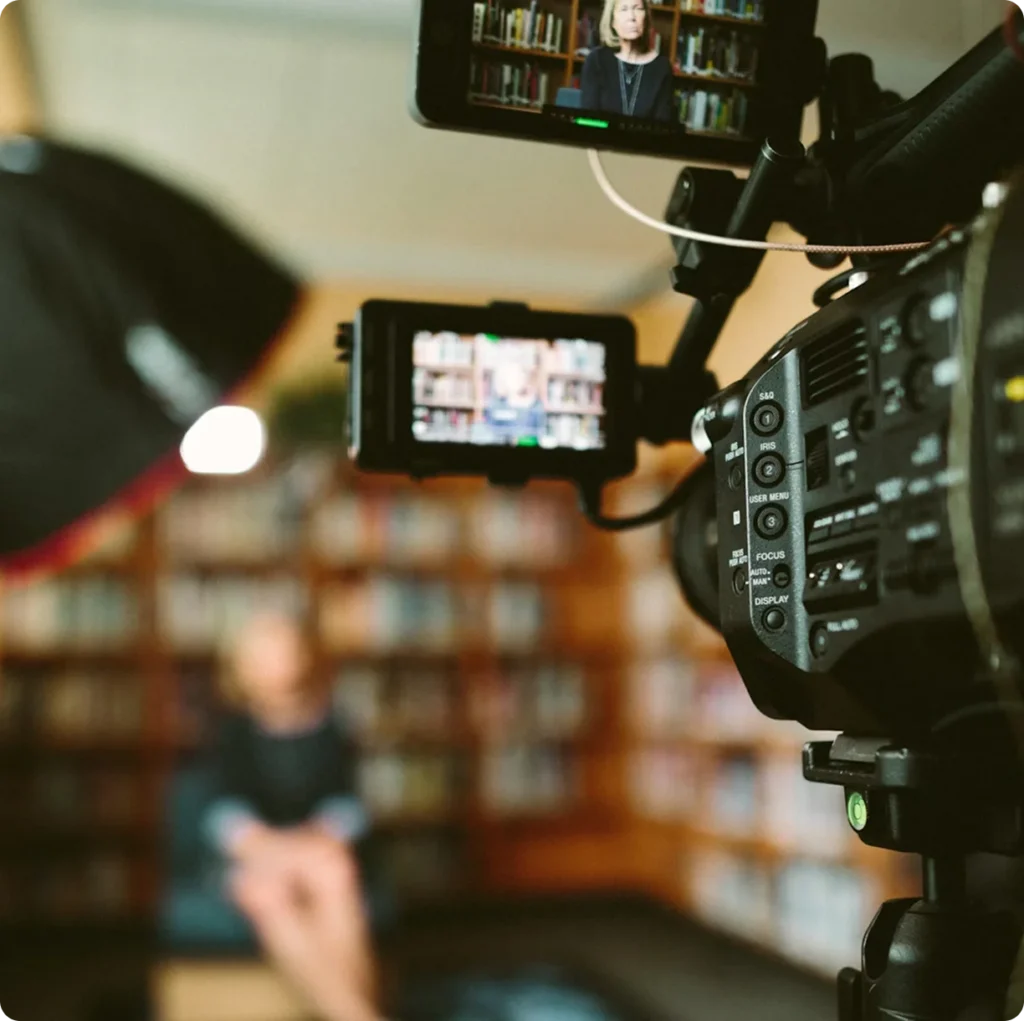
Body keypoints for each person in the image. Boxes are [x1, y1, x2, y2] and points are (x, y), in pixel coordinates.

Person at [580, 0, 675, 123]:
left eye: (638, 9)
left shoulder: (662, 67)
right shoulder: (596, 60)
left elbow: (663, 129)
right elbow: (588, 122)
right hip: (600, 141)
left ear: (646, 17)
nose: (632, 17)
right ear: (612, 21)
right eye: (624, 9)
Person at [482, 357, 546, 445]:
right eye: (514, 375)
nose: (520, 378)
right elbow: (488, 434)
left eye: (520, 374)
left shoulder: (535, 405)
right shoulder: (495, 405)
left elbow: (540, 435)